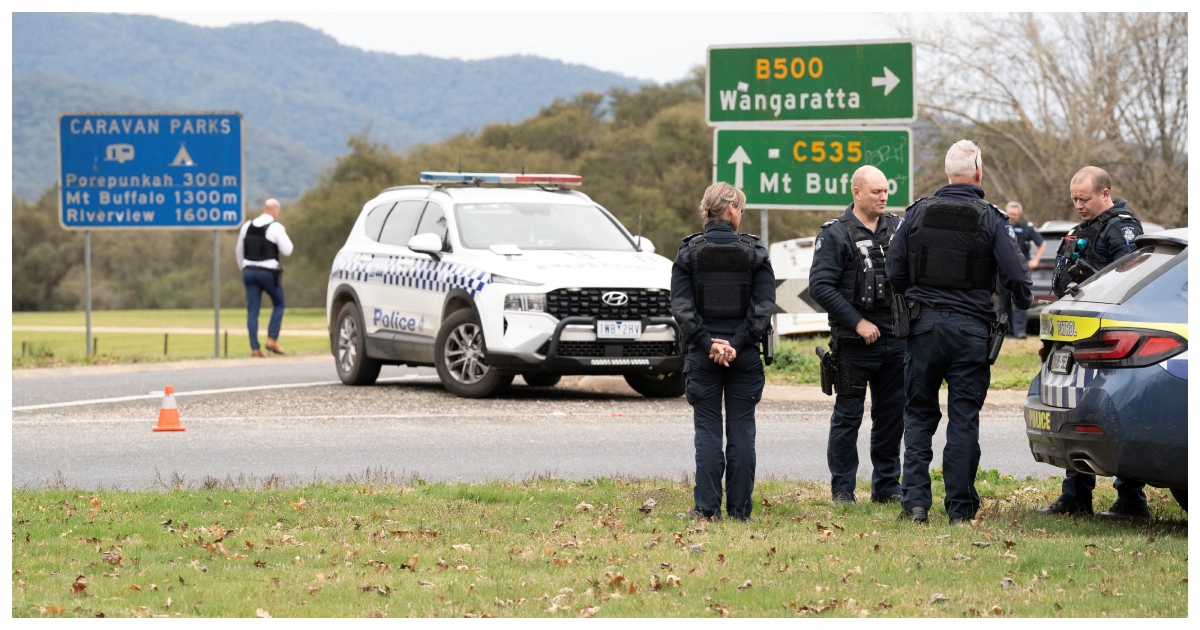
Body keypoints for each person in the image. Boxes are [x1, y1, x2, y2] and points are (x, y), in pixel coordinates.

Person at [886, 140, 1032, 524]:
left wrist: (915, 294)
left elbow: (893, 269)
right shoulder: (991, 218)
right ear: (978, 173)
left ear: (947, 173)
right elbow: (1017, 275)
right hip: (971, 331)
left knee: (918, 415)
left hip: (923, 327)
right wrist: (1022, 300)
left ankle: (915, 505)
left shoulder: (916, 213)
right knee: (964, 416)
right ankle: (960, 510)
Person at [1037, 166, 1148, 520]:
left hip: (1112, 337)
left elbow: (1130, 279)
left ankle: (1131, 499)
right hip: (1076, 335)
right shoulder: (1081, 230)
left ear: (1105, 193)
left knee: (1119, 415)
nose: (1078, 205)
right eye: (1074, 199)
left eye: (1084, 199)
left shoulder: (1123, 227)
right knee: (1076, 415)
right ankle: (1075, 498)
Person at [671, 182, 776, 521]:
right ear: (730, 209)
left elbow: (682, 308)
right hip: (743, 355)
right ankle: (740, 511)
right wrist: (738, 343)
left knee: (708, 432)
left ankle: (706, 509)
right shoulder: (755, 252)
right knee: (742, 431)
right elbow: (763, 307)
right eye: (741, 209)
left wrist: (709, 343)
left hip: (703, 356)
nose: (741, 215)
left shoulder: (689, 252)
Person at [808, 165, 904, 505]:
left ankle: (887, 487)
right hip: (853, 343)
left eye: (885, 190)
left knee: (891, 417)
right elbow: (820, 286)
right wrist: (857, 321)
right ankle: (843, 490)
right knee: (848, 417)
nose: (883, 196)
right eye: (876, 191)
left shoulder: (898, 227)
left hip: (896, 340)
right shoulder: (835, 234)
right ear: (857, 193)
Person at [235, 198, 294, 357]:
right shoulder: (276, 227)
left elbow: (239, 250)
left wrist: (243, 268)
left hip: (248, 271)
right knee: (279, 303)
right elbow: (288, 250)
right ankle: (272, 339)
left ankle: (255, 348)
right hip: (267, 273)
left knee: (252, 310)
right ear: (275, 210)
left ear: (263, 208)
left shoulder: (247, 226)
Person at [998, 202, 1045, 338]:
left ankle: (1020, 332)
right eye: (1010, 214)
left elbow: (1042, 243)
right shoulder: (1000, 225)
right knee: (1004, 302)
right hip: (1004, 270)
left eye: (1015, 214)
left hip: (1021, 270)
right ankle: (1006, 332)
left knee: (1021, 300)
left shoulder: (1026, 227)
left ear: (1019, 214)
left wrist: (1035, 260)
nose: (1012, 216)